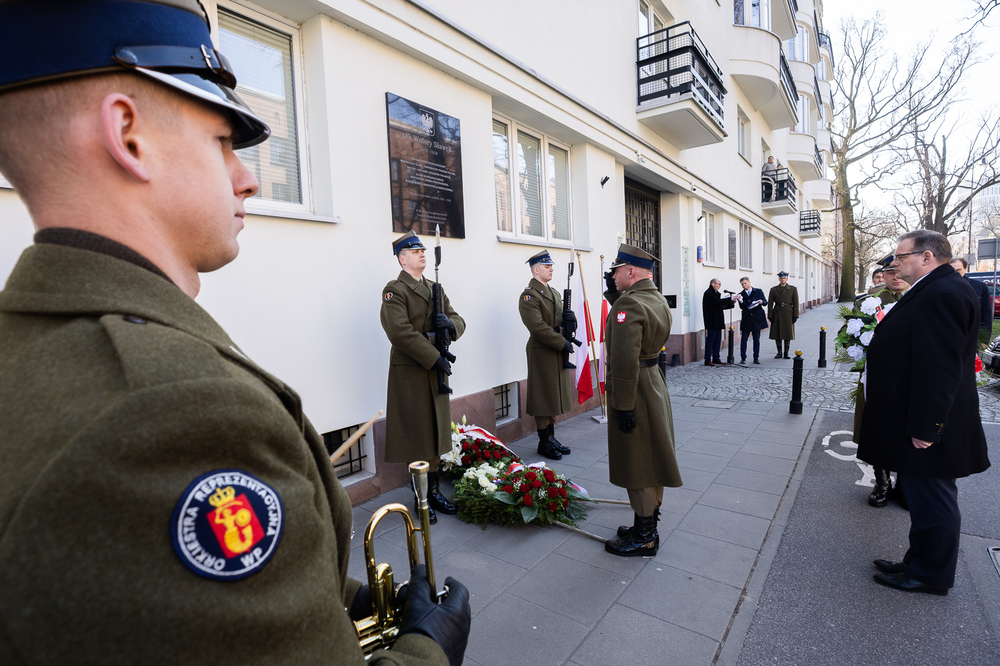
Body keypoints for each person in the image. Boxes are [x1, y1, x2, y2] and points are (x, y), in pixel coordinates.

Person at [0, 2, 471, 663]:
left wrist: (317, 589)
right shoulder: (171, 414)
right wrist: (428, 651)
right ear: (128, 135)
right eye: (224, 142)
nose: (247, 177)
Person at [859, 230, 991, 596]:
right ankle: (918, 561)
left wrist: (927, 427)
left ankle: (930, 573)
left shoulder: (944, 293)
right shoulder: (935, 288)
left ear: (927, 257)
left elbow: (939, 369)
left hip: (931, 425)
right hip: (922, 419)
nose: (894, 263)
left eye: (900, 257)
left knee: (933, 500)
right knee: (919, 498)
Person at [601, 244, 681, 557]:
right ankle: (644, 523)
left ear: (630, 271)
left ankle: (645, 536)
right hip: (651, 383)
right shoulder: (653, 297)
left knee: (639, 462)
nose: (613, 275)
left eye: (617, 270)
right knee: (649, 456)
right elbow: (640, 324)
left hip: (634, 388)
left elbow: (622, 359)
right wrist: (615, 297)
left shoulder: (629, 307)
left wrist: (621, 405)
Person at [381, 231, 466, 524]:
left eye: (422, 250)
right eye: (414, 251)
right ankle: (421, 500)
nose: (421, 254)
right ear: (402, 259)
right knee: (417, 437)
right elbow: (399, 332)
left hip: (435, 370)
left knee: (435, 433)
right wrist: (434, 354)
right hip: (413, 372)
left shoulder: (434, 288)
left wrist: (449, 326)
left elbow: (458, 319)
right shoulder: (395, 290)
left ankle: (434, 492)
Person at [852, 258, 909, 508]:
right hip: (876, 377)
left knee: (909, 430)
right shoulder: (867, 302)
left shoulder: (922, 297)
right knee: (878, 429)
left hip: (911, 378)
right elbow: (851, 338)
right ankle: (882, 482)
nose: (896, 276)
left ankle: (906, 485)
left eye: (900, 271)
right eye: (890, 271)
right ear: (882, 276)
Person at [518, 249, 575, 460]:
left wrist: (571, 321)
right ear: (536, 270)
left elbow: (558, 320)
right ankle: (544, 441)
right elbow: (538, 328)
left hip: (555, 350)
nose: (551, 268)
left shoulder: (554, 293)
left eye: (551, 265)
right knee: (543, 396)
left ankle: (551, 437)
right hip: (542, 351)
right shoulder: (529, 296)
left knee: (553, 394)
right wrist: (562, 342)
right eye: (546, 266)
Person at [949, 257, 993, 348]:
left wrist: (984, 339)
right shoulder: (942, 287)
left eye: (958, 270)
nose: (955, 273)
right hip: (949, 336)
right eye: (952, 270)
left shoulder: (980, 287)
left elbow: (986, 312)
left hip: (972, 336)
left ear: (965, 269)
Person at [702, 278, 737, 366]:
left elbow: (720, 305)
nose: (719, 286)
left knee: (718, 340)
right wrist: (730, 298)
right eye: (718, 284)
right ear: (713, 284)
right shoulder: (708, 293)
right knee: (711, 340)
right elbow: (717, 302)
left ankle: (716, 357)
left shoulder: (716, 293)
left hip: (717, 320)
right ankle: (707, 359)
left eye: (720, 284)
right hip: (712, 320)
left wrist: (731, 302)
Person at [736, 276, 768, 364]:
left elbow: (765, 302)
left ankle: (756, 357)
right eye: (742, 284)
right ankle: (743, 357)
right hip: (747, 319)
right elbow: (742, 307)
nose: (744, 285)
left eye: (745, 283)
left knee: (756, 339)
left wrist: (762, 301)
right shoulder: (741, 294)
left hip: (757, 318)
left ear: (749, 282)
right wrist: (741, 301)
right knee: (744, 339)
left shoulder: (758, 291)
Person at [767, 271, 799, 359]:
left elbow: (796, 303)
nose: (782, 279)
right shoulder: (773, 289)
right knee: (777, 333)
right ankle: (779, 352)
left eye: (784, 278)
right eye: (781, 278)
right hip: (777, 312)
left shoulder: (792, 289)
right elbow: (770, 304)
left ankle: (786, 352)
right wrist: (770, 315)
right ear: (779, 279)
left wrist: (795, 315)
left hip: (788, 313)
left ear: (787, 278)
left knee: (787, 333)